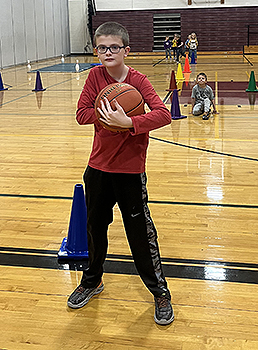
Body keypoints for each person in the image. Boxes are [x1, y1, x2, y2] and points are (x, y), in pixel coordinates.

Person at [67, 21, 174, 326]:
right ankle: (91, 281)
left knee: (140, 234)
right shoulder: (95, 77)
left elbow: (163, 114)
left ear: (126, 50)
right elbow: (81, 114)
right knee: (94, 229)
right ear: (96, 51)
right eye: (102, 47)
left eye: (114, 47)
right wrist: (106, 114)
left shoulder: (138, 81)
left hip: (130, 171)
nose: (108, 52)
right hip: (98, 168)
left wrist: (128, 123)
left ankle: (160, 291)